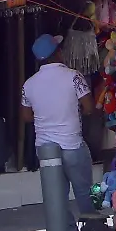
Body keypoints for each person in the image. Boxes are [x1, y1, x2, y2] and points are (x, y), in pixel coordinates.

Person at [19, 34, 95, 216]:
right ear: (58, 53)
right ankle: (92, 229)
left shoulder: (29, 84)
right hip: (72, 144)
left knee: (57, 196)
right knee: (84, 191)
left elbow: (26, 116)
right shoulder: (73, 76)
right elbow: (89, 108)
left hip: (45, 149)